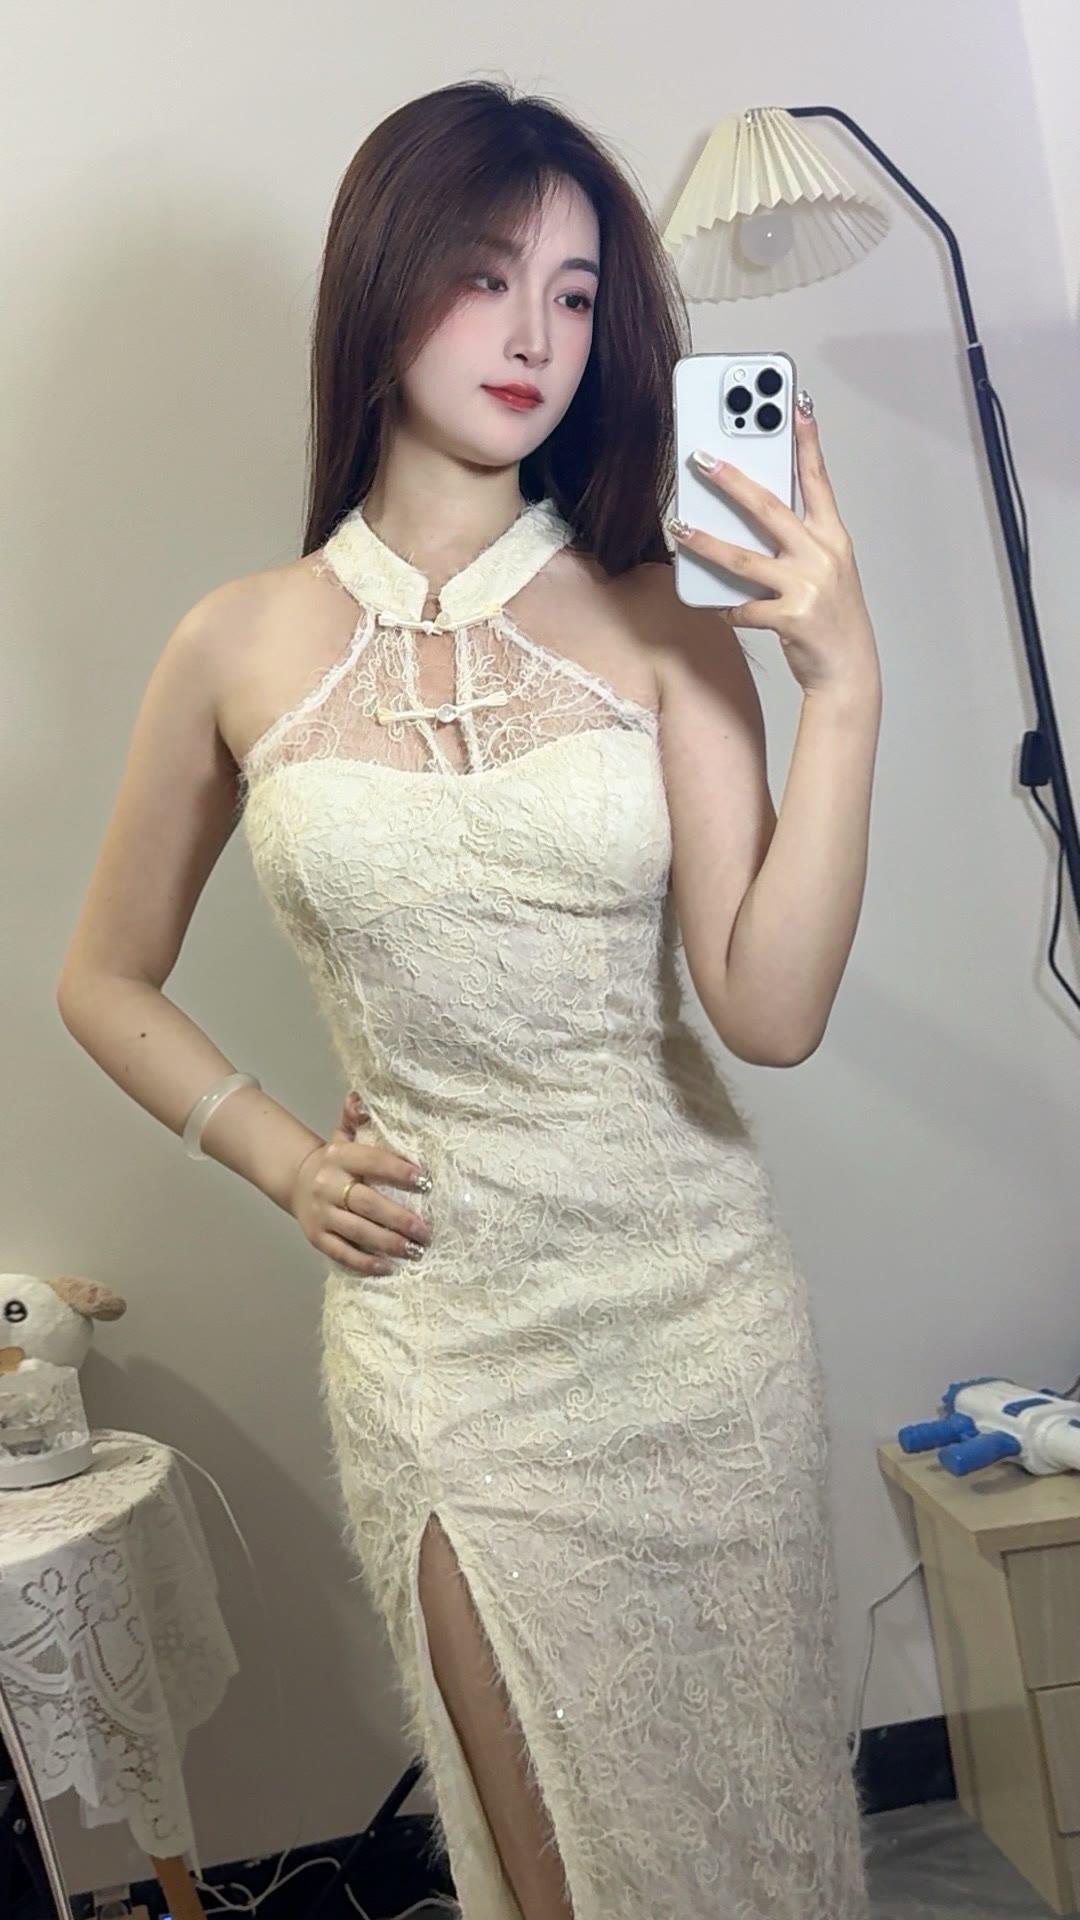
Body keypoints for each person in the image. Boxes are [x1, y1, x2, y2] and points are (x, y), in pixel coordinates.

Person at [56, 78, 882, 1920]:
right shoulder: (237, 639)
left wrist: (844, 690)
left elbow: (768, 1009)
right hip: (450, 1354)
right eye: (488, 274)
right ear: (382, 279)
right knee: (553, 1868)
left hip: (701, 1332)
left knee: (749, 1849)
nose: (535, 336)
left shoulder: (664, 615)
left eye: (577, 296)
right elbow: (101, 976)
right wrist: (284, 1161)